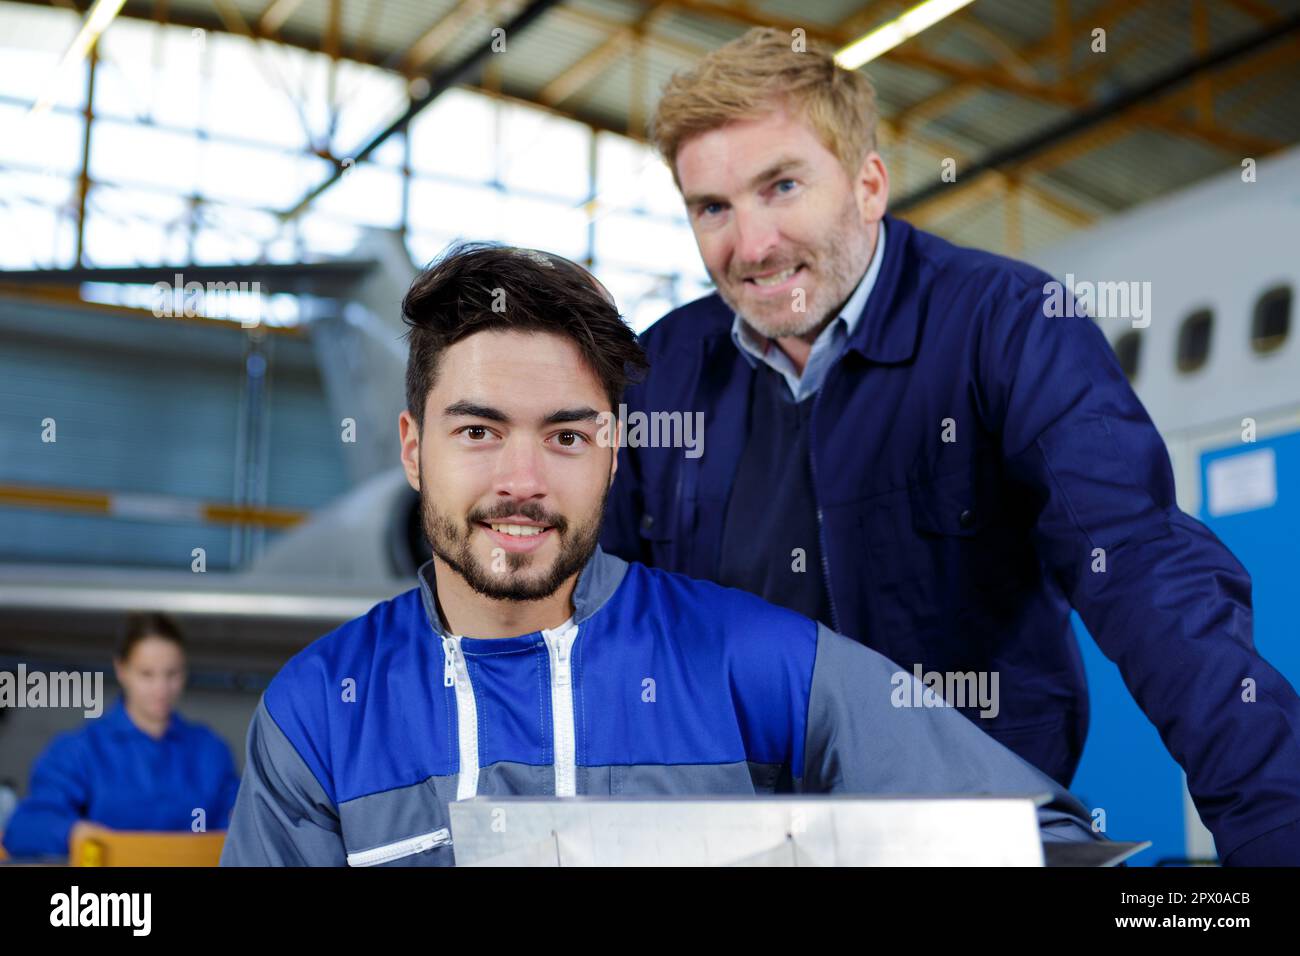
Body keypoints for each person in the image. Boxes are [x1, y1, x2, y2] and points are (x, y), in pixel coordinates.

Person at [597, 27, 1300, 866]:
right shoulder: (659, 377)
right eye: (712, 207)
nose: (750, 247)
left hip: (975, 834)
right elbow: (602, 629)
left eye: (782, 186)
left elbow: (1146, 571)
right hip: (741, 840)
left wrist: (1275, 827)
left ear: (868, 186)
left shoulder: (1007, 325)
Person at [220, 242, 1102, 867]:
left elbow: (1042, 843)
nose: (522, 480)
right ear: (413, 449)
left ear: (614, 451)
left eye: (566, 437)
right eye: (479, 431)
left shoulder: (757, 664)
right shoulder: (316, 716)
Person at [1, 612, 240, 858]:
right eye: (147, 674)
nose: (161, 689)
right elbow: (23, 828)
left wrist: (243, 822)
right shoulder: (80, 751)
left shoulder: (210, 751)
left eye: (172, 674)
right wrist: (72, 832)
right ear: (121, 669)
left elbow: (240, 822)